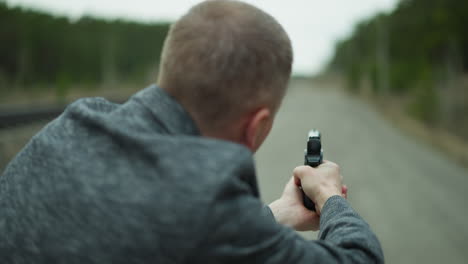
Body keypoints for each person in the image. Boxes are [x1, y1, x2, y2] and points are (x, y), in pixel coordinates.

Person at [0, 0, 384, 263]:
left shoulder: (63, 130)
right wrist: (330, 196)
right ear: (258, 125)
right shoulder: (207, 199)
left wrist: (272, 216)